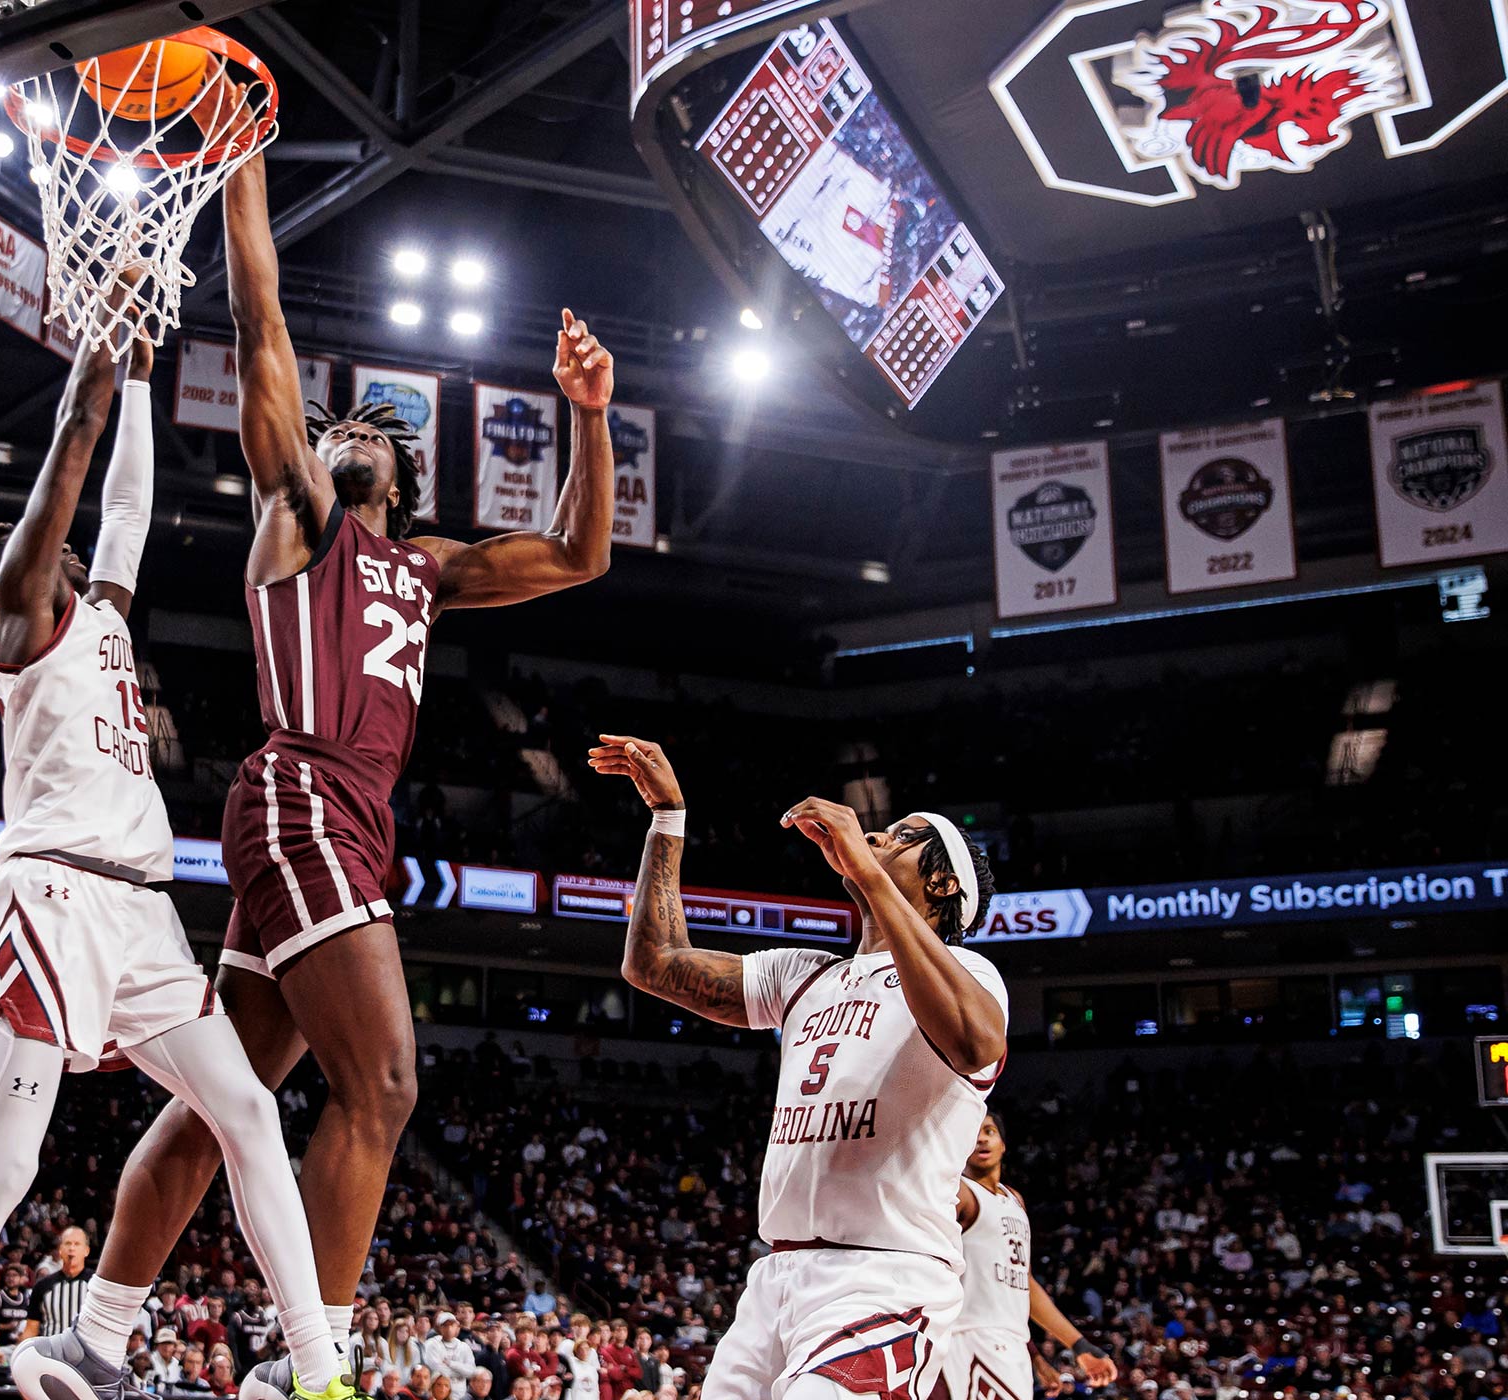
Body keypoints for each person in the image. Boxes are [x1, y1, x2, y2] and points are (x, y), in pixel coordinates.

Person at [66, 143, 618, 1400]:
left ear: (406, 483)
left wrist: (587, 411)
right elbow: (263, 315)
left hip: (345, 821)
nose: (351, 433)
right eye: (343, 425)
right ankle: (310, 1367)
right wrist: (242, 164)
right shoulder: (297, 510)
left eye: (373, 432)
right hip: (304, 789)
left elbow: (583, 553)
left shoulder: (429, 565)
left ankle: (92, 1335)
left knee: (228, 1097)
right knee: (383, 1080)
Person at [0, 305, 342, 1400]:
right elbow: (70, 461)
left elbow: (128, 506)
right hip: (51, 899)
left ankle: (320, 1369)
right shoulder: (13, 618)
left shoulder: (97, 609)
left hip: (141, 912)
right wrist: (101, 360)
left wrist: (147, 378)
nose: (65, 546)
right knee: (6, 1165)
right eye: (44, 545)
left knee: (246, 1111)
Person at [594, 736, 1006, 1400]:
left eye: (899, 839)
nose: (874, 835)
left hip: (886, 1279)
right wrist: (667, 818)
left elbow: (975, 1043)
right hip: (777, 1280)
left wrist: (869, 876)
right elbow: (655, 964)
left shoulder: (970, 973)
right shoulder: (805, 974)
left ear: (941, 883)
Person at [936, 1114, 1117, 1400]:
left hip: (1012, 1346)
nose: (981, 1138)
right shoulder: (958, 1193)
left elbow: (1024, 1286)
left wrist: (1076, 1345)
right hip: (968, 1339)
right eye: (972, 1131)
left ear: (1003, 1144)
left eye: (990, 1131)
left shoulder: (1014, 1200)